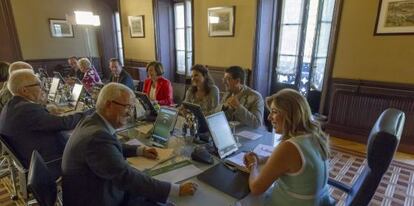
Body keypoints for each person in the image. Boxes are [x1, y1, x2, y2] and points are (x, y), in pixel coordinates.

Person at [62, 83, 197, 206]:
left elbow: (110, 148)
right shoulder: (98, 138)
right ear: (109, 105)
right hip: (96, 199)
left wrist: (139, 150)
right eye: (128, 106)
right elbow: (126, 177)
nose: (130, 112)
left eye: (133, 107)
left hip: (92, 190)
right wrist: (175, 190)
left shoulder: (93, 121)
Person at [243, 89, 331, 205]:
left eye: (274, 111)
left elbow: (256, 188)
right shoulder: (314, 136)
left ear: (290, 114)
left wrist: (253, 164)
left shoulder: (289, 147)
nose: (269, 117)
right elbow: (285, 161)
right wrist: (260, 159)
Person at [0, 70, 90, 178]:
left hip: (31, 158)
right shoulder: (27, 110)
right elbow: (65, 123)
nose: (43, 88)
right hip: (49, 162)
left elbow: (40, 121)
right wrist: (89, 113)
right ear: (24, 90)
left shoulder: (11, 105)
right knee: (91, 145)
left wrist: (43, 106)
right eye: (38, 84)